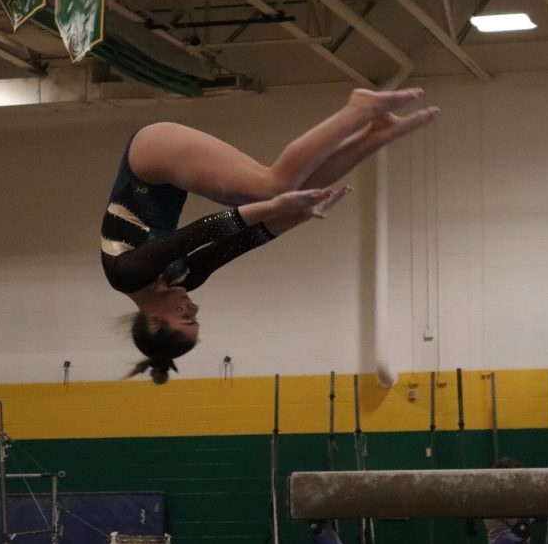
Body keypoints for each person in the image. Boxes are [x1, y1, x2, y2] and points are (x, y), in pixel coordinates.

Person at [101, 87, 438, 382]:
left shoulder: (128, 274)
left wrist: (277, 207)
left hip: (149, 156)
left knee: (274, 187)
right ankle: (377, 133)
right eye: (195, 315)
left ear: (156, 321)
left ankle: (359, 109)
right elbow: (245, 240)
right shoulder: (182, 279)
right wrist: (300, 215)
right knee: (296, 191)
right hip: (164, 174)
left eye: (185, 316)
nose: (192, 305)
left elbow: (201, 230)